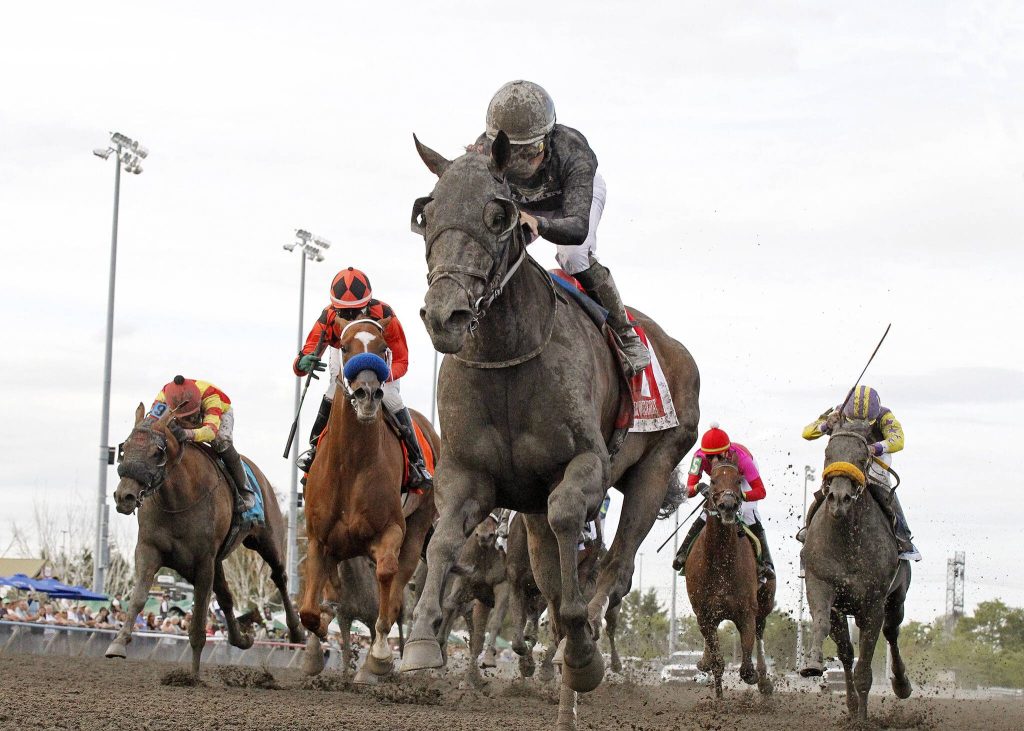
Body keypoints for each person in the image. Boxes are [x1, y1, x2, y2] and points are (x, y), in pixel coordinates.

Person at [471, 80, 649, 376]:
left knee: (573, 258)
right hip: (524, 205)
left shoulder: (574, 153)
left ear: (547, 139)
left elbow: (578, 227)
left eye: (529, 152)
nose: (520, 164)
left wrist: (538, 222)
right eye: (512, 153)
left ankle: (626, 334)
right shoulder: (483, 150)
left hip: (570, 200)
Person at [293, 266, 432, 492]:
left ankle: (417, 462)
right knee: (331, 392)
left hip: (380, 362)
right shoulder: (328, 316)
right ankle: (313, 452)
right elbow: (304, 356)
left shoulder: (385, 314)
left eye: (355, 312)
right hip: (345, 356)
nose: (349, 318)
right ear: (334, 307)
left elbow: (402, 360)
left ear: (367, 305)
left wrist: (383, 377)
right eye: (343, 314)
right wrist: (302, 363)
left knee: (391, 398)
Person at [799, 385, 921, 561]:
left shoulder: (884, 416)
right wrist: (826, 425)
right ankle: (808, 531)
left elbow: (899, 440)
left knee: (886, 493)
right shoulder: (839, 412)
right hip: (844, 461)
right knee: (824, 493)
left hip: (874, 464)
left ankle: (903, 537)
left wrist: (876, 447)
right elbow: (806, 433)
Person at [149, 375, 261, 529]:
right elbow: (152, 422)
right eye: (184, 418)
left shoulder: (212, 397)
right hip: (180, 412)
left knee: (222, 442)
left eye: (190, 417)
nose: (188, 422)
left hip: (220, 413)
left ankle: (245, 490)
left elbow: (211, 432)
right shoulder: (163, 396)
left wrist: (187, 433)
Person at [672, 424, 775, 580]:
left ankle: (766, 563)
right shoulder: (698, 458)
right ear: (703, 454)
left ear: (727, 452)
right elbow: (688, 490)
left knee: (748, 512)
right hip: (720, 481)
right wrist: (699, 486)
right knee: (708, 512)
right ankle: (682, 552)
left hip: (740, 477)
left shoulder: (744, 460)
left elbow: (761, 491)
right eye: (709, 457)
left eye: (719, 456)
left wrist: (742, 495)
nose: (714, 461)